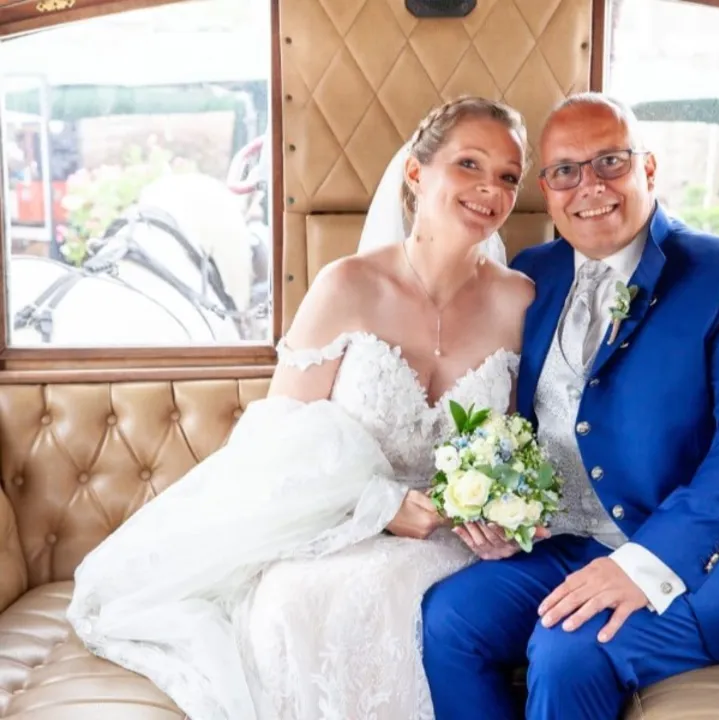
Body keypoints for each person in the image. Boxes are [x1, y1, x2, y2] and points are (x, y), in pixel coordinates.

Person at [65, 95, 535, 720]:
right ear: (416, 173)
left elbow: (516, 441)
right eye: (469, 164)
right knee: (296, 598)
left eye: (508, 176)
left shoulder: (520, 301)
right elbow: (275, 443)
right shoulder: (346, 285)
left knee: (411, 598)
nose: (490, 190)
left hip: (453, 540)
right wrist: (380, 506)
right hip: (340, 522)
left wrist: (503, 510)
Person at [421, 92, 719, 720]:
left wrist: (646, 564)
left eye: (610, 162)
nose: (589, 186)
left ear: (647, 168)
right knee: (450, 618)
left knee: (567, 651)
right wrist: (501, 512)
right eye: (566, 171)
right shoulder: (533, 274)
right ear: (547, 189)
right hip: (571, 545)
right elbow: (520, 418)